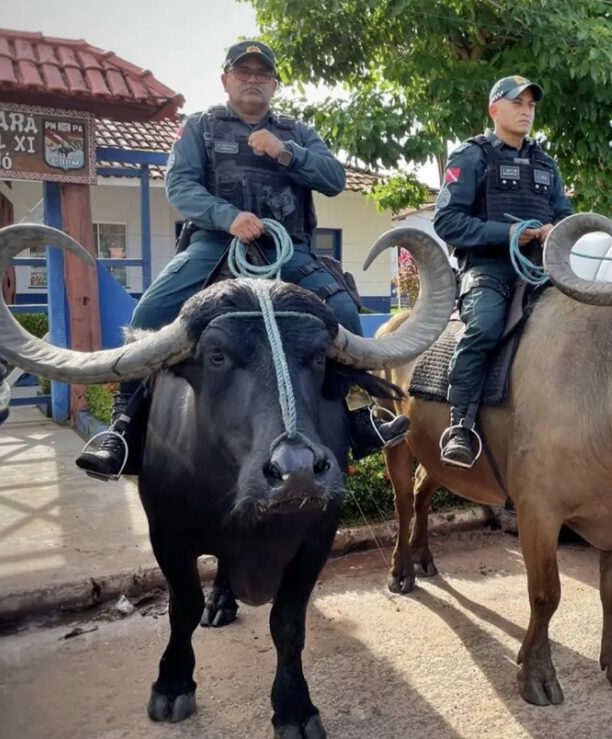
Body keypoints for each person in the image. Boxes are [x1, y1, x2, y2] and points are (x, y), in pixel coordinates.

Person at [76, 40, 408, 479]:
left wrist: (285, 152)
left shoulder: (297, 132)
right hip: (214, 244)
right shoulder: (200, 127)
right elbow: (180, 186)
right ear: (225, 79)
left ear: (274, 84)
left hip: (287, 248)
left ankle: (355, 418)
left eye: (262, 73)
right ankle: (122, 430)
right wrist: (228, 217)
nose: (253, 79)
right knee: (148, 314)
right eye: (243, 71)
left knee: (343, 313)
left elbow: (333, 179)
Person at [432, 75, 573, 469]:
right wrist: (506, 233)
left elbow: (566, 215)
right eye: (517, 103)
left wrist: (556, 229)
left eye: (531, 105)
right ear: (494, 109)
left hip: (541, 270)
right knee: (484, 327)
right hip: (488, 268)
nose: (526, 111)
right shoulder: (471, 156)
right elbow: (447, 221)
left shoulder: (546, 163)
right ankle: (460, 425)